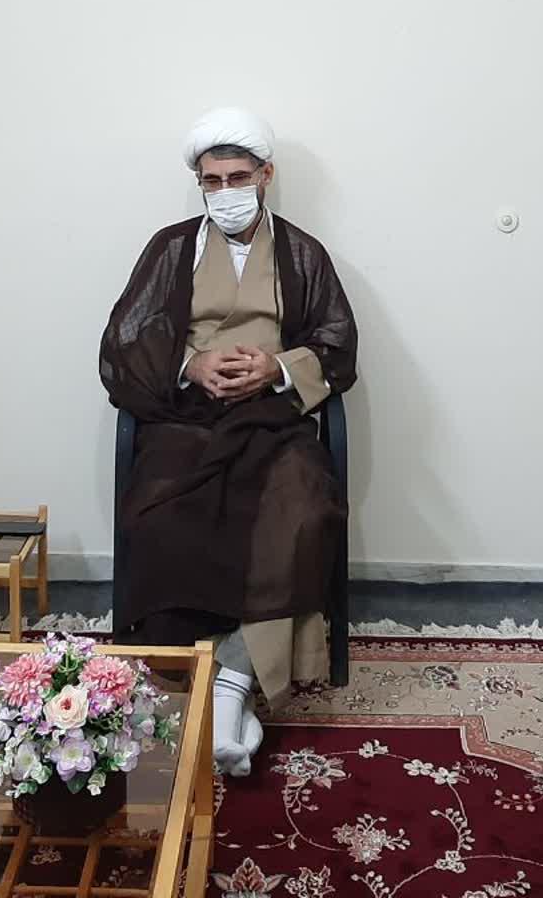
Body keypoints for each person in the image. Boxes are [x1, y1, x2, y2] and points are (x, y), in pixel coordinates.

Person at [101, 107, 356, 776]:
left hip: (274, 418)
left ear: (265, 175)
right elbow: (126, 338)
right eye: (211, 181)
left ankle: (231, 685)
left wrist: (277, 368)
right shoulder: (172, 247)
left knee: (303, 512)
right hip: (186, 417)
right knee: (162, 513)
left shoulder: (302, 253)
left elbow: (337, 344)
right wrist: (192, 365)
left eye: (237, 177)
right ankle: (207, 679)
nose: (225, 192)